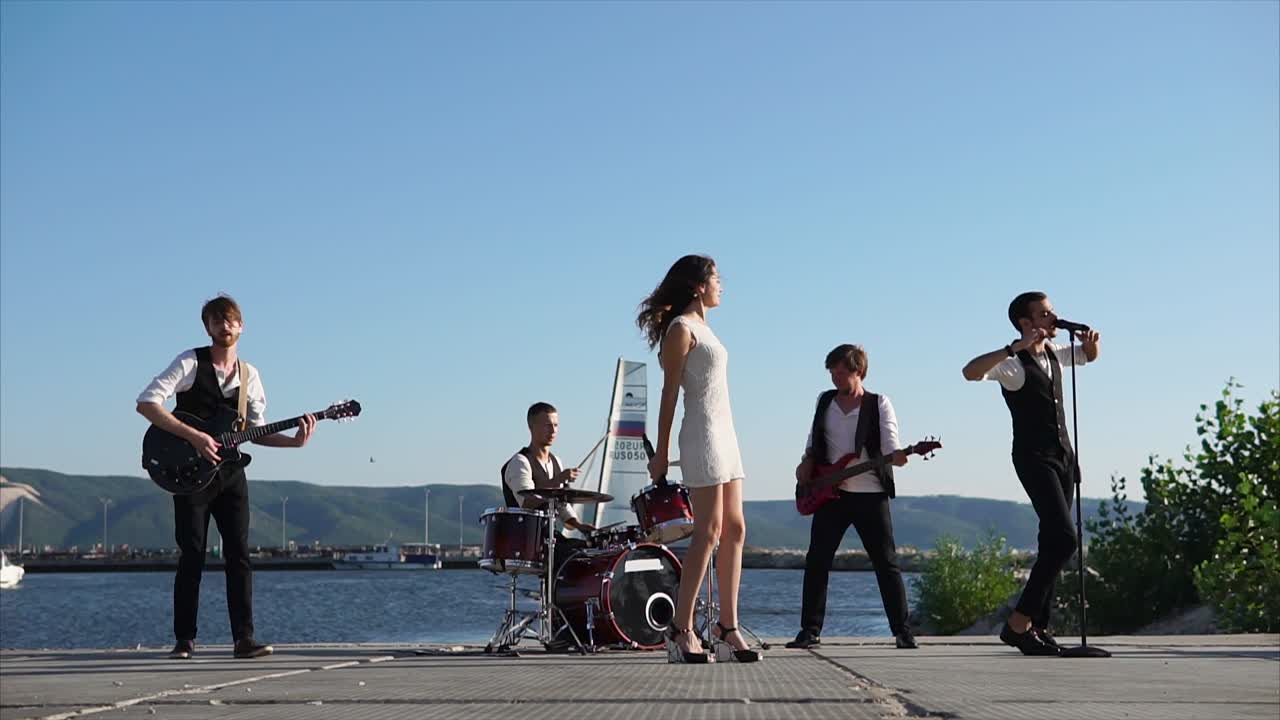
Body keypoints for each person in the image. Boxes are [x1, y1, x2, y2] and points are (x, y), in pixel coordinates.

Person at [136, 295, 316, 660]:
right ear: (208, 328)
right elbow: (146, 402)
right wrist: (195, 436)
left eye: (231, 320)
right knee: (192, 555)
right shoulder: (190, 362)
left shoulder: (250, 376)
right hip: (189, 472)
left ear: (241, 326)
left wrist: (294, 443)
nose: (225, 326)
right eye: (217, 321)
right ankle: (184, 640)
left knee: (240, 555)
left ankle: (243, 640)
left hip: (231, 473)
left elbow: (257, 431)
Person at [962, 291, 1100, 656]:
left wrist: (1091, 345)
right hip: (1033, 457)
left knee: (1051, 541)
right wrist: (1013, 346)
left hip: (1064, 457)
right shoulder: (1013, 364)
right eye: (1045, 313)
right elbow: (970, 372)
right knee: (1064, 538)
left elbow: (1087, 357)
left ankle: (1038, 627)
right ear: (1026, 322)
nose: (1053, 317)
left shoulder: (1054, 355)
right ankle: (1018, 624)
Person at [639, 254, 760, 664]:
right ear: (697, 286)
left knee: (736, 529)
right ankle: (681, 629)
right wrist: (661, 451)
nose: (721, 285)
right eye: (716, 279)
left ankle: (728, 629)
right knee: (707, 531)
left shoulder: (707, 328)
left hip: (727, 435)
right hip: (701, 434)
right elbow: (669, 393)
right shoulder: (681, 329)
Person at [787, 344, 915, 650]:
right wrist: (806, 461)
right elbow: (813, 438)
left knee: (886, 562)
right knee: (817, 561)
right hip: (831, 494)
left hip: (870, 495)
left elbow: (890, 444)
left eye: (841, 371)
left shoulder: (878, 403)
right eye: (832, 371)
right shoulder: (825, 400)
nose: (835, 377)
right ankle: (810, 630)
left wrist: (898, 456)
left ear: (859, 371)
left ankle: (902, 631)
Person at [500, 402, 596, 574]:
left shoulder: (556, 461)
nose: (553, 431)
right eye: (547, 425)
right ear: (531, 427)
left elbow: (561, 504)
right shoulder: (520, 462)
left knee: (591, 551)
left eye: (555, 425)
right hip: (527, 541)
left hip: (550, 538)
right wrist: (559, 479)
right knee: (571, 557)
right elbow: (527, 502)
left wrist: (579, 525)